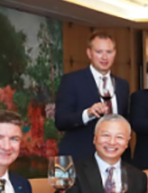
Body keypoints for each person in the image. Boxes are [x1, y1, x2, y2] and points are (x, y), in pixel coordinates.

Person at [60, 114, 148, 193]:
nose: (112, 142)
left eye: (119, 137)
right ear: (95, 138)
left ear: (127, 142)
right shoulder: (72, 172)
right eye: (106, 135)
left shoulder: (138, 177)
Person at [55, 32, 130, 160]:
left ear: (115, 53)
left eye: (109, 52)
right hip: (79, 158)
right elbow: (60, 121)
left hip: (114, 158)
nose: (104, 57)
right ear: (89, 53)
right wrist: (88, 114)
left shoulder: (122, 85)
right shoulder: (72, 80)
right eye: (99, 52)